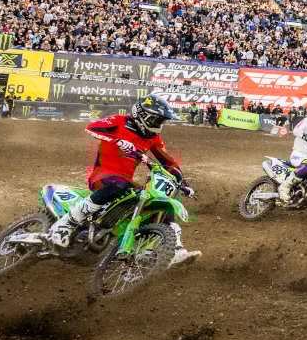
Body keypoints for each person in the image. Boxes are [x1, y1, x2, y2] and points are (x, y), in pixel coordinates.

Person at [44, 95, 198, 264]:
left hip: (125, 180)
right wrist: (118, 141)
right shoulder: (119, 121)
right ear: (142, 115)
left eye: (160, 121)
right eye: (155, 120)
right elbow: (92, 128)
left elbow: (168, 162)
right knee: (120, 185)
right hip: (103, 176)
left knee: (157, 201)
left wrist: (182, 183)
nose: (158, 124)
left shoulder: (153, 138)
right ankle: (67, 223)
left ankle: (173, 248)